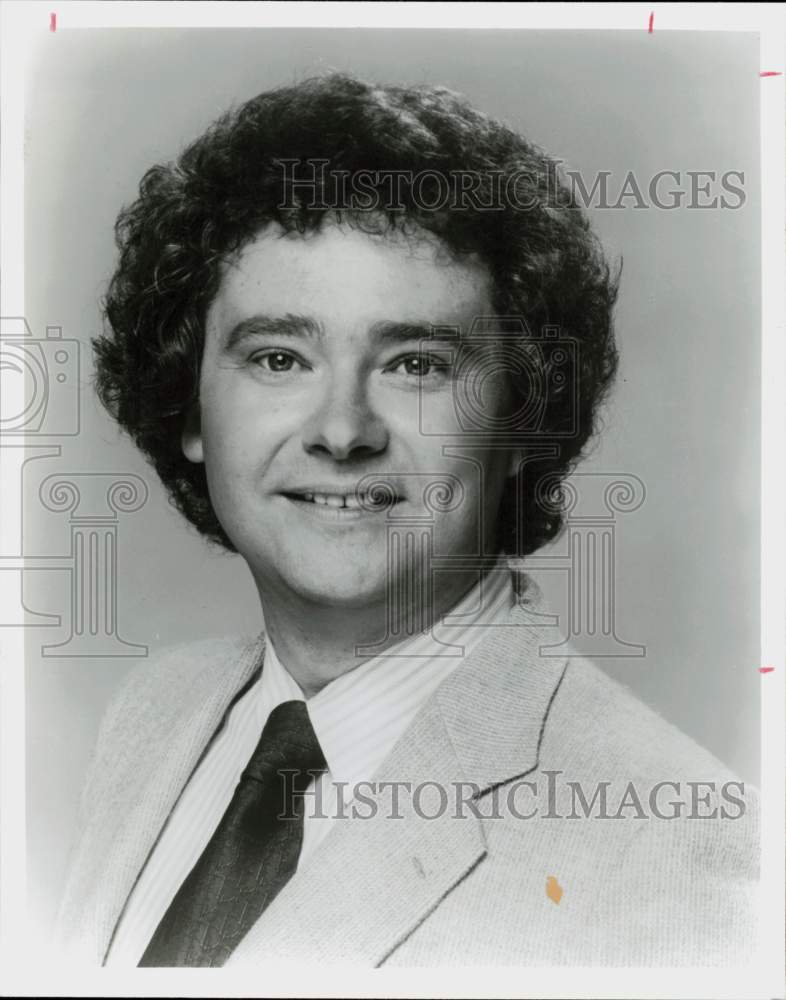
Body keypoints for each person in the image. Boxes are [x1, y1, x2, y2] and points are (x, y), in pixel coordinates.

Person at [55, 73, 758, 968]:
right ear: (191, 410)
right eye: (279, 357)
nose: (342, 431)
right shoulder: (154, 718)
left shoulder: (686, 858)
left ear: (519, 420)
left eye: (417, 364)